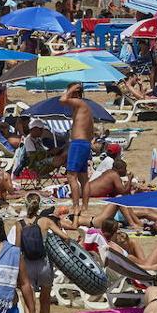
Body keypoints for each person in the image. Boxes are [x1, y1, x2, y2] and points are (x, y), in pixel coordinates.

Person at [60, 83, 96, 216]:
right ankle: (85, 206)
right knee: (83, 177)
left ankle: (75, 206)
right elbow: (91, 132)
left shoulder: (79, 103)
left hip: (78, 143)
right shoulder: (86, 108)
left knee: (71, 176)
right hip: (84, 143)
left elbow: (62, 100)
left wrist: (70, 90)